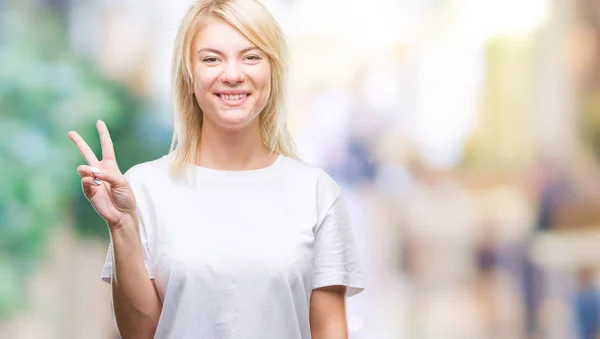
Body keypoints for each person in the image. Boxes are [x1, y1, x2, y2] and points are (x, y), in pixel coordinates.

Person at [67, 0, 364, 338]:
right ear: (188, 76)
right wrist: (122, 225)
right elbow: (141, 333)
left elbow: (329, 330)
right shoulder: (143, 188)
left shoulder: (316, 192)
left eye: (251, 57)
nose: (233, 75)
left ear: (273, 71)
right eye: (211, 59)